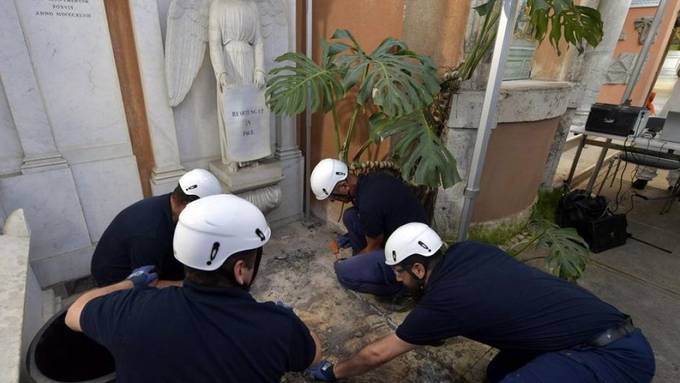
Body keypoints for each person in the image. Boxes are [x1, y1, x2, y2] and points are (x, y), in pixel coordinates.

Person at [309, 223, 655, 382]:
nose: (397, 280)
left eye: (400, 273)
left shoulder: (443, 303)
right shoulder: (468, 250)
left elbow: (376, 355)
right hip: (606, 329)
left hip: (615, 358)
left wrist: (332, 372)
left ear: (418, 268)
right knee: (497, 372)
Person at [66, 194, 321, 382]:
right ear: (239, 270)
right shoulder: (276, 328)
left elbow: (74, 313)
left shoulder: (131, 310)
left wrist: (129, 284)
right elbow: (314, 355)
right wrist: (290, 320)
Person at [309, 158, 427, 297]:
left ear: (344, 186)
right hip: (404, 234)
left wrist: (347, 263)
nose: (335, 201)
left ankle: (401, 290)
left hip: (408, 256)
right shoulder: (372, 180)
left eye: (334, 197)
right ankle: (365, 265)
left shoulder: (368, 205)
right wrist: (343, 242)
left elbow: (373, 246)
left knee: (343, 272)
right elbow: (374, 222)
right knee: (350, 216)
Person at [90, 168, 221, 286]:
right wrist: (195, 288)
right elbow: (148, 284)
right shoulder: (150, 234)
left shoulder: (169, 204)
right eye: (205, 210)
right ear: (186, 204)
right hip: (118, 282)